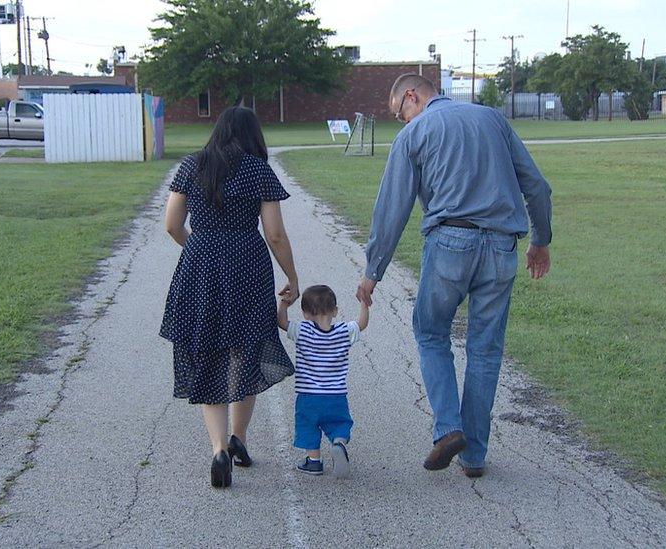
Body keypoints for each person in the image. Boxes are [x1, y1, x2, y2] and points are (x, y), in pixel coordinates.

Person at [356, 74, 553, 478]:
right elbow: (536, 185)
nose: (403, 122)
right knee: (485, 348)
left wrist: (372, 271)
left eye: (400, 114)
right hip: (502, 246)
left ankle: (448, 427)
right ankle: (474, 454)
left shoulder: (416, 134)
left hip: (450, 243)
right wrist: (541, 240)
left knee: (430, 332)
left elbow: (392, 208)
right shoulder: (493, 119)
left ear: (412, 96)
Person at [160, 106, 299, 488]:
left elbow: (172, 225)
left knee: (207, 350)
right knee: (246, 348)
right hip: (247, 266)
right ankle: (239, 437)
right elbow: (274, 234)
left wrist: (199, 249)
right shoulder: (257, 170)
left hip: (199, 266)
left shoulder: (193, 165)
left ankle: (219, 448)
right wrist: (292, 276)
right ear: (253, 135)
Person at [278, 285, 369, 478]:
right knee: (339, 423)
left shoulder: (302, 330)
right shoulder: (343, 331)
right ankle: (338, 443)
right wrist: (364, 303)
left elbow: (282, 322)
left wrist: (284, 304)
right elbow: (361, 324)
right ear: (335, 310)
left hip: (308, 396)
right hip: (336, 395)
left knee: (308, 426)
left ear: (305, 313)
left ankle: (313, 462)